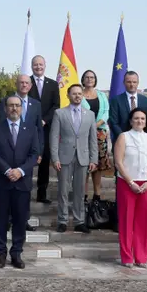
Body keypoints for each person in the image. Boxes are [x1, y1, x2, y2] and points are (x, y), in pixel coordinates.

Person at [0, 96, 39, 269]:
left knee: (20, 219)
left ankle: (16, 253)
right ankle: (0, 253)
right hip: (0, 181)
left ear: (22, 108)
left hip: (22, 182)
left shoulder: (31, 129)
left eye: (17, 105)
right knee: (0, 219)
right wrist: (8, 170)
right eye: (11, 105)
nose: (14, 108)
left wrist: (20, 171)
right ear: (5, 109)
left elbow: (34, 154)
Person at [113, 107, 147, 269]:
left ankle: (141, 256)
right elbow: (118, 162)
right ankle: (127, 256)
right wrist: (130, 182)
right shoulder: (124, 137)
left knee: (143, 221)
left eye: (142, 119)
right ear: (131, 121)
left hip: (146, 184)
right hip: (127, 183)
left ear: (146, 122)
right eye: (136, 118)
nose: (139, 121)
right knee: (126, 220)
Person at [49, 85, 97, 233]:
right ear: (68, 95)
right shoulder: (59, 113)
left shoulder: (90, 115)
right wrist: (55, 157)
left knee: (80, 191)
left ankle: (79, 221)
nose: (77, 96)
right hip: (64, 157)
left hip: (83, 157)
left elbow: (92, 139)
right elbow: (54, 137)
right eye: (74, 94)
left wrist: (93, 159)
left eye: (79, 94)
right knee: (63, 190)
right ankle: (62, 220)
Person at [28, 55, 61, 203]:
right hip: (29, 127)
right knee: (27, 158)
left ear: (45, 66)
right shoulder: (26, 82)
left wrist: (44, 120)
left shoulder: (53, 84)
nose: (38, 67)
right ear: (32, 66)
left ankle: (42, 194)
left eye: (40, 64)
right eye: (35, 65)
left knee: (45, 160)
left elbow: (56, 105)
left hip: (47, 128)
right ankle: (25, 192)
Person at [77, 70, 111, 201]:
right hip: (83, 133)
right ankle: (84, 195)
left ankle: (97, 195)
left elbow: (106, 112)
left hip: (99, 133)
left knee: (98, 165)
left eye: (92, 77)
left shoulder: (101, 95)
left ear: (95, 80)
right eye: (87, 77)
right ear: (83, 80)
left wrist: (97, 125)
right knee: (84, 164)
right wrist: (88, 126)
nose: (89, 79)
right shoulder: (79, 94)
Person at [108, 70, 147, 149]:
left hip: (142, 143)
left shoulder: (146, 101)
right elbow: (113, 123)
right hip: (122, 143)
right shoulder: (116, 101)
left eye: (134, 82)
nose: (132, 84)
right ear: (124, 83)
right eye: (129, 82)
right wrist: (125, 138)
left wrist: (143, 137)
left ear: (138, 83)